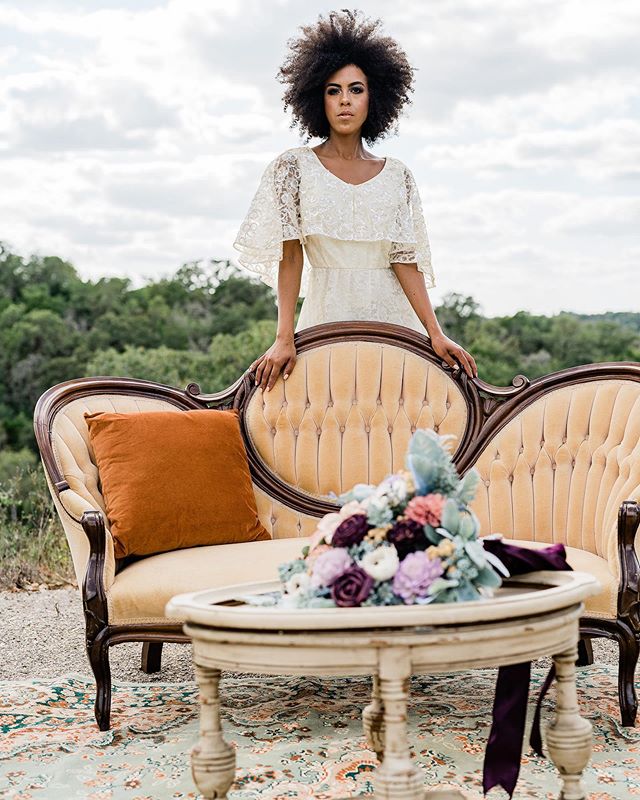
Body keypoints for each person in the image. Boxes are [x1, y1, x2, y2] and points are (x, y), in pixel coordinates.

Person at [233, 9, 477, 392]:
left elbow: (404, 259)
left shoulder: (398, 175)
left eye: (356, 89)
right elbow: (291, 256)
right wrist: (284, 337)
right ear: (317, 98)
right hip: (324, 316)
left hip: (394, 323)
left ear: (374, 97)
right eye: (334, 90)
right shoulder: (293, 168)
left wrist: (436, 333)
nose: (345, 101)